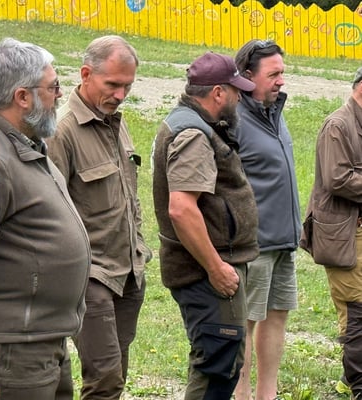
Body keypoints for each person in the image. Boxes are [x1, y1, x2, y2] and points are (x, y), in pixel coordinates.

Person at [0, 38, 91, 400]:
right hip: (11, 350)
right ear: (22, 97)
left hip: (41, 341)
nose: (60, 94)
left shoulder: (26, 144)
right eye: (53, 87)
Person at [46, 35, 152, 400]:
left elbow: (129, 195)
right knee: (105, 380)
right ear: (86, 74)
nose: (121, 95)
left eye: (128, 86)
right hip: (91, 275)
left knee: (116, 375)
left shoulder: (115, 121)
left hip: (128, 271)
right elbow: (50, 211)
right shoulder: (61, 131)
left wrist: (139, 249)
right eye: (113, 85)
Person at [151, 51, 259, 399]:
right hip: (205, 272)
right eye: (235, 90)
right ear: (218, 92)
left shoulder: (193, 124)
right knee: (217, 363)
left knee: (222, 359)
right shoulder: (194, 134)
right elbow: (182, 209)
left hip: (211, 267)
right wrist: (216, 268)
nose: (239, 98)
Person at [232, 40, 300, 400]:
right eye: (273, 74)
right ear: (247, 76)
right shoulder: (234, 119)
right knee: (244, 323)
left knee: (277, 317)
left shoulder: (274, 111)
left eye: (282, 73)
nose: (281, 81)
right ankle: (241, 395)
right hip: (253, 245)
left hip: (283, 240)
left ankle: (266, 396)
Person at [300, 66, 362, 400]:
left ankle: (348, 378)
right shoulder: (338, 125)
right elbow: (338, 179)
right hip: (344, 235)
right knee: (356, 311)